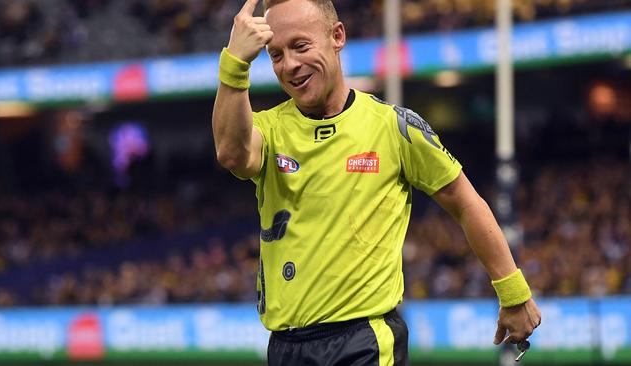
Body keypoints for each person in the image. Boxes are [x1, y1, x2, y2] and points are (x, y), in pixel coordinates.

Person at [212, 0, 542, 364]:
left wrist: (512, 291)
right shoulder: (269, 129)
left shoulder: (394, 127)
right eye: (276, 55)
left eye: (301, 47)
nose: (289, 65)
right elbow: (231, 154)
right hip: (286, 347)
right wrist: (236, 62)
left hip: (365, 342)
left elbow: (465, 202)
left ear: (337, 37)